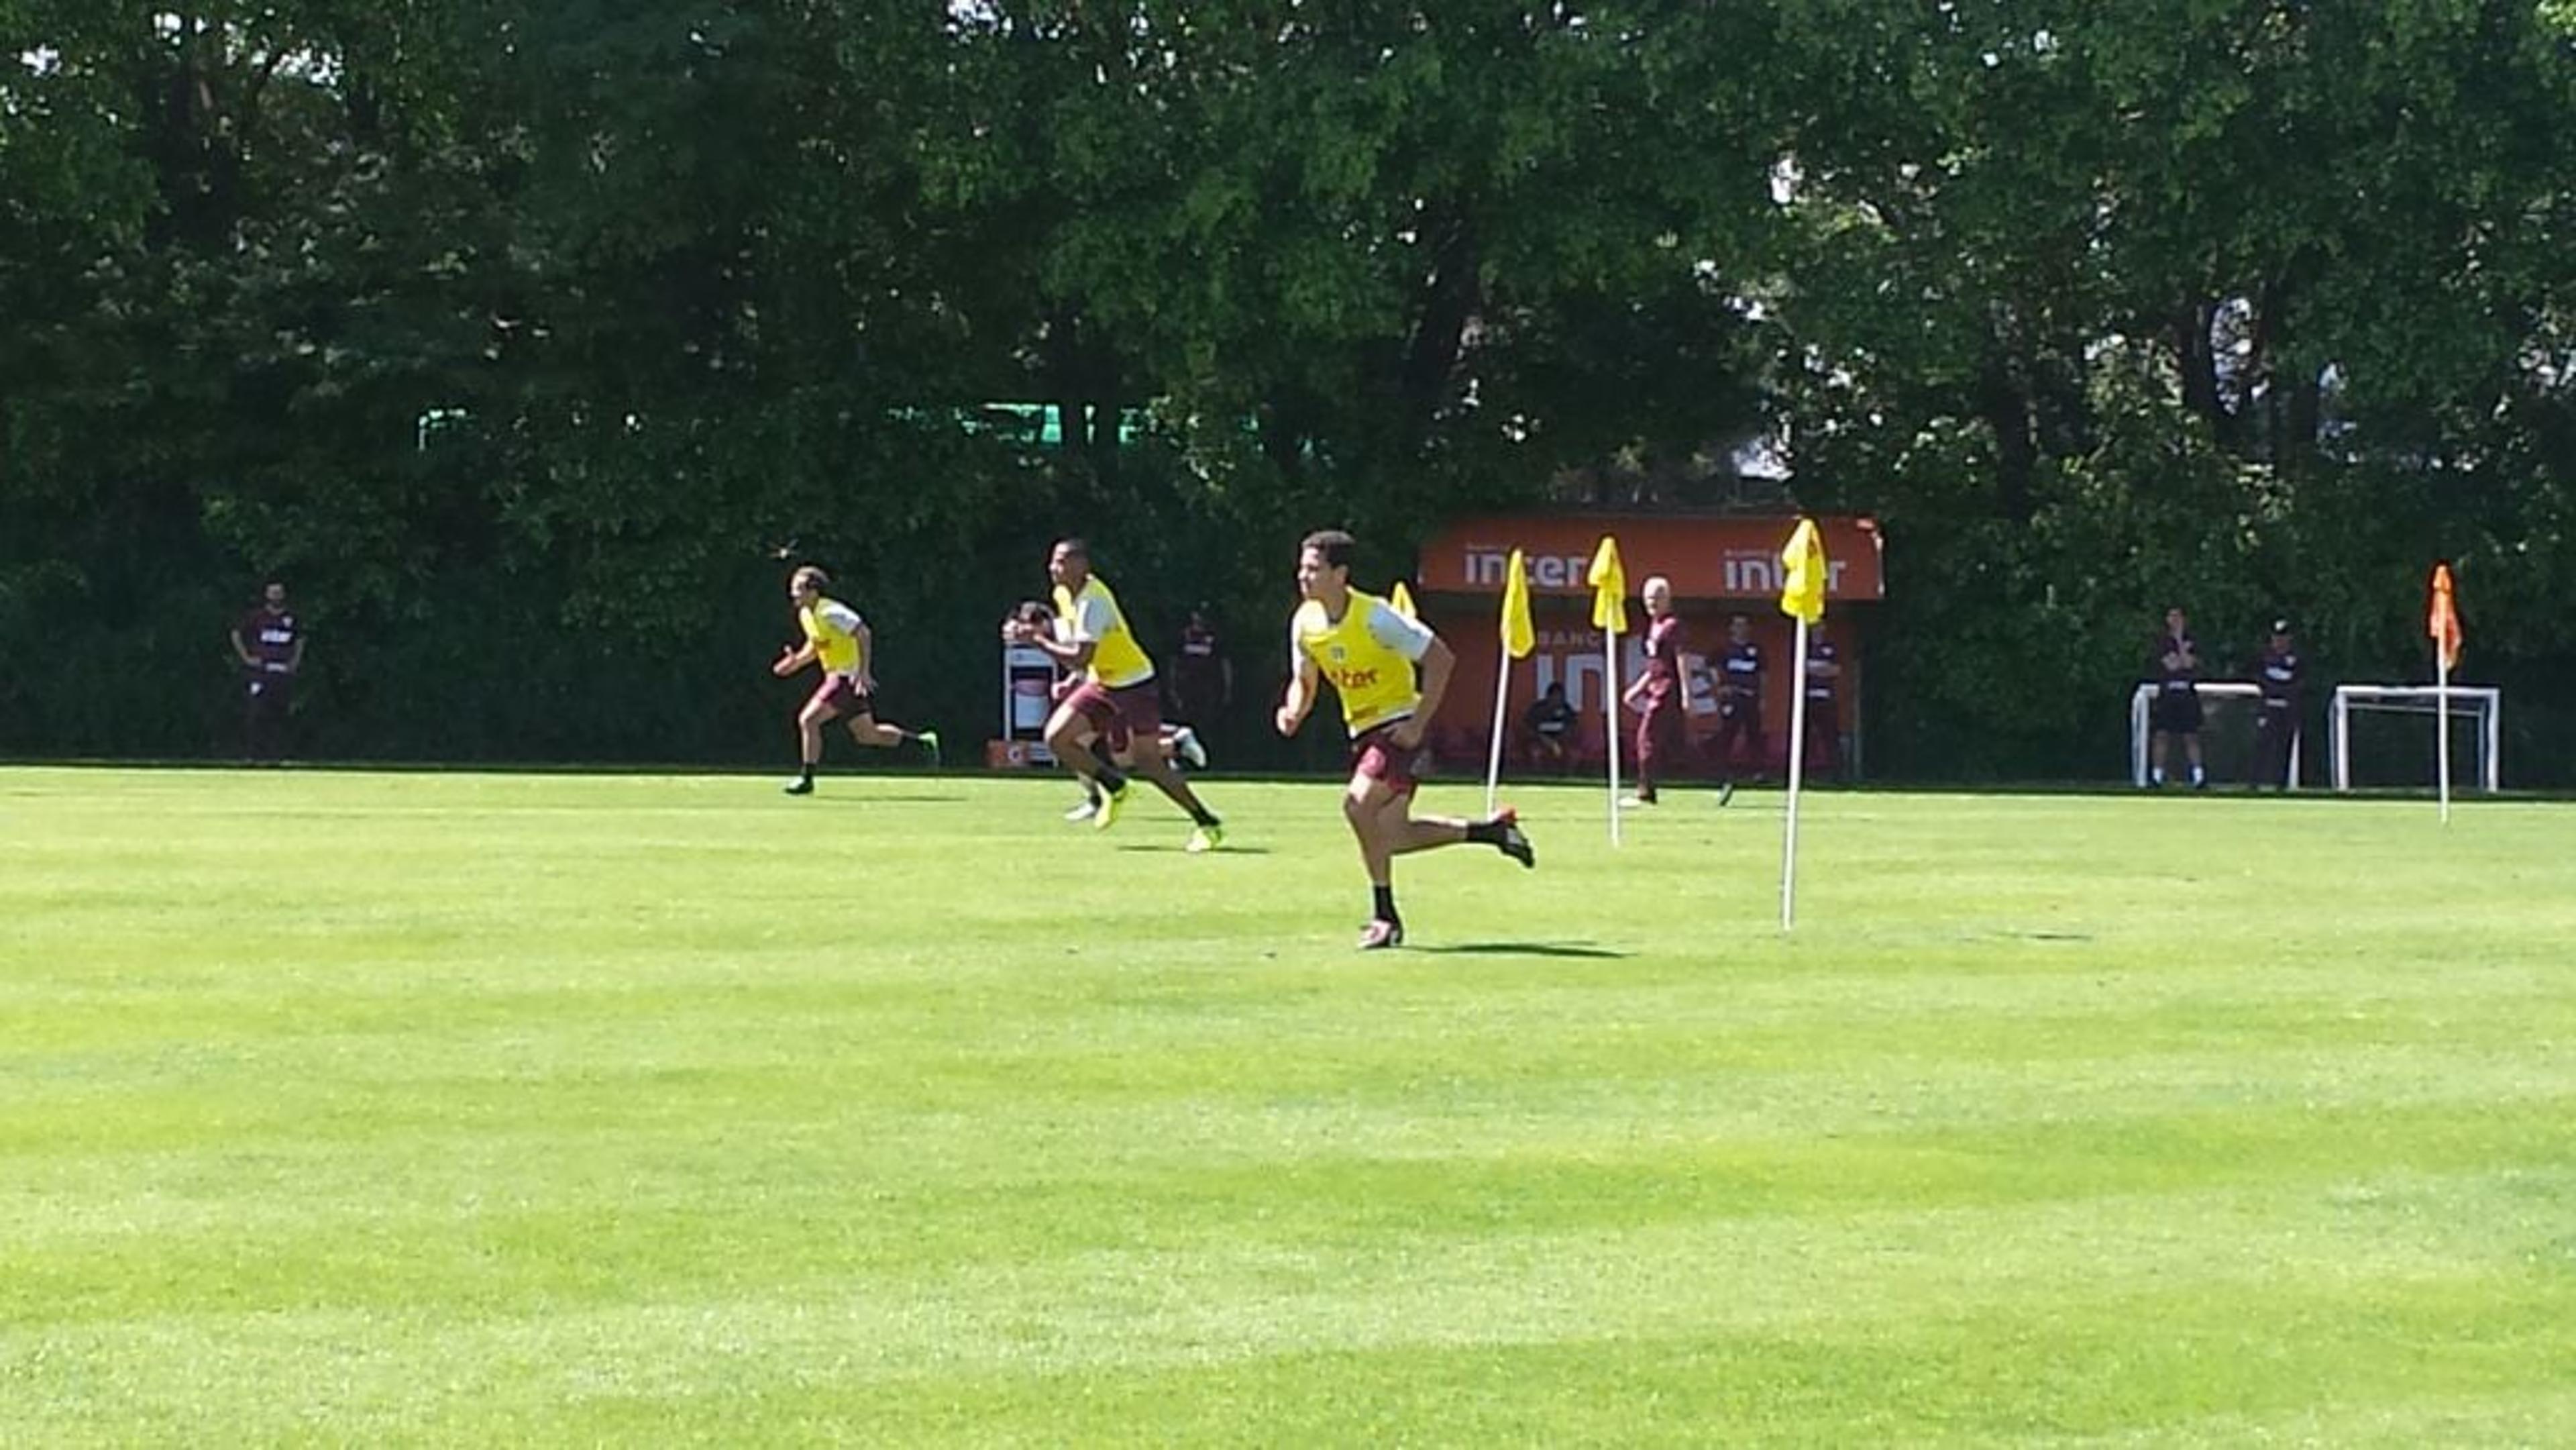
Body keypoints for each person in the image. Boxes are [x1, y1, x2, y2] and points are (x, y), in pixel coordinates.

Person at [1278, 529, 1534, 949]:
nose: (1303, 576)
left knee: (1357, 805)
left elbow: (1441, 659)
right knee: (1392, 837)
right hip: (1362, 733)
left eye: (1313, 569)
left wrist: (1417, 723)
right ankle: (1491, 832)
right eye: (1302, 568)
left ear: (1340, 574)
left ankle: (1385, 916)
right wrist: (1293, 711)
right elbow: (1303, 682)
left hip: (1399, 727)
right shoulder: (1305, 623)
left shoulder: (1377, 617)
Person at [1002, 539, 1225, 851]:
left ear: (1082, 566)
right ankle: (1114, 785)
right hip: (1102, 682)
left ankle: (1207, 822)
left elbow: (1080, 656)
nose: (1053, 568)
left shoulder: (1095, 602)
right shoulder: (1063, 594)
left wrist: (1037, 641)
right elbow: (1074, 652)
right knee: (1057, 738)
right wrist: (1071, 677)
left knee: (1148, 761)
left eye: (1062, 561)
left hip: (1134, 682)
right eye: (1053, 561)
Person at [1009, 598, 1206, 822]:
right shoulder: (1057, 632)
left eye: (1028, 624)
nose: (1025, 631)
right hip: (1101, 690)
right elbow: (1086, 667)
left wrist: (1067, 679)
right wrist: (1070, 684)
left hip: (1114, 690)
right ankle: (1097, 798)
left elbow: (1082, 660)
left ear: (1043, 621)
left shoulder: (1063, 631)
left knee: (1121, 757)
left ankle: (1174, 745)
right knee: (1073, 743)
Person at [771, 565, 939, 794]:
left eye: (799, 588)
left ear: (814, 591)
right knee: (868, 735)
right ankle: (923, 743)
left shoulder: (830, 611)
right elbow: (816, 646)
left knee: (808, 720)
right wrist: (795, 663)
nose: (793, 593)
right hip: (837, 677)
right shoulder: (806, 615)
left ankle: (806, 779)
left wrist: (863, 672)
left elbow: (863, 632)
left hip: (844, 678)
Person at [1619, 576, 1692, 805]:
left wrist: (1687, 694)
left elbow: (1682, 659)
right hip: (1655, 687)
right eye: (1648, 598)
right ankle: (1723, 779)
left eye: (1657, 597)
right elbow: (1655, 665)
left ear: (1667, 599)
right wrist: (1637, 689)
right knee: (1676, 744)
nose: (1651, 602)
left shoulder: (1673, 626)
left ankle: (1645, 792)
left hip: (1667, 690)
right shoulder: (1653, 626)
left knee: (1646, 739)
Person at [229, 580, 305, 763]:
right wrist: (247, 658)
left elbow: (300, 640)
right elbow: (236, 634)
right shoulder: (257, 617)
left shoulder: (291, 618)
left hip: (282, 673)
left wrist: (295, 662)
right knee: (256, 713)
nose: (276, 596)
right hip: (261, 673)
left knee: (280, 714)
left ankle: (278, 756)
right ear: (266, 595)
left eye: (279, 592)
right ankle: (253, 755)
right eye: (273, 592)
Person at [1709, 613, 1766, 805]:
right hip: (1732, 698)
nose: (1741, 629)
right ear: (1731, 628)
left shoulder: (1756, 650)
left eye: (1744, 625)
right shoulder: (1723, 649)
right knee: (1727, 734)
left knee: (1754, 734)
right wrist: (1720, 688)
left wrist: (1763, 697)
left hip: (1751, 697)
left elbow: (1763, 675)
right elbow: (1712, 670)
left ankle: (1757, 772)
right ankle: (1721, 772)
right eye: (1737, 625)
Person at [2147, 605, 2204, 789]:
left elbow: (2188, 664)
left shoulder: (2192, 640)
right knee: (2161, 735)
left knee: (2191, 736)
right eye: (2172, 616)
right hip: (2167, 694)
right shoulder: (2161, 642)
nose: (2175, 620)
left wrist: (2180, 642)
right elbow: (2171, 665)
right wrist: (2180, 657)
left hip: (2187, 693)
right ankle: (2156, 777)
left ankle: (2198, 777)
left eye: (2178, 616)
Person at [1167, 606, 1232, 742]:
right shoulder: (1183, 636)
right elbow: (1174, 663)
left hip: (1208, 687)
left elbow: (1225, 664)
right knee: (1185, 722)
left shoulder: (1214, 638)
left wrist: (1227, 688)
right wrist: (1172, 687)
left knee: (1207, 722)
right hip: (1186, 687)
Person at [2251, 617, 2302, 790]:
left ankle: (2281, 783)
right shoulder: (2264, 656)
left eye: (2283, 637)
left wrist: (2286, 691)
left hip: (2288, 708)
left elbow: (2301, 682)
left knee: (2284, 746)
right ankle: (2255, 782)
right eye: (2276, 637)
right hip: (2268, 707)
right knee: (2262, 745)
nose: (2279, 641)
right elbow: (2258, 678)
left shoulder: (2297, 658)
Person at [1800, 623, 1844, 780]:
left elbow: (1836, 670)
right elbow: (1800, 670)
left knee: (1831, 736)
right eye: (1815, 627)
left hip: (1826, 699)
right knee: (1804, 736)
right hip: (1807, 699)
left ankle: (1837, 774)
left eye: (1820, 627)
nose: (1818, 630)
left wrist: (1814, 670)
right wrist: (1824, 670)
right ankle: (1803, 773)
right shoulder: (1803, 646)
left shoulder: (1831, 648)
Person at [1521, 681, 1578, 770]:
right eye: (1555, 696)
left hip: (1561, 742)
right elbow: (1527, 728)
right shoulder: (1537, 709)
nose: (1557, 699)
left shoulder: (1567, 709)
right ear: (1548, 696)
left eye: (1560, 697)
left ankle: (1566, 776)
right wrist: (1545, 740)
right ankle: (1537, 776)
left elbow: (1572, 728)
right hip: (1539, 741)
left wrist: (1558, 742)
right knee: (1535, 753)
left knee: (1574, 754)